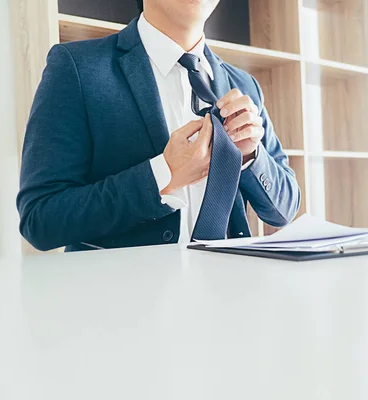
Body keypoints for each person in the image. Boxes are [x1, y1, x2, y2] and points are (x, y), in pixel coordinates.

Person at [16, 0, 300, 252]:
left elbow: (284, 211)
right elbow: (40, 220)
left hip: (228, 295)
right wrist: (164, 175)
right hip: (120, 303)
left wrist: (251, 157)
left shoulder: (244, 84)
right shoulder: (77, 68)